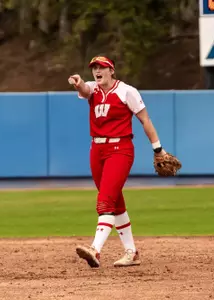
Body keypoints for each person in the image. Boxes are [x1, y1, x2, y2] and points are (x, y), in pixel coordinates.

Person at [68, 55, 168, 268]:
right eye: (94, 67)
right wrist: (78, 83)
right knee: (115, 201)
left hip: (120, 149)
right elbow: (85, 90)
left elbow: (145, 120)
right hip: (97, 149)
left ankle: (95, 249)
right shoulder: (93, 89)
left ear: (111, 70)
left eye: (102, 67)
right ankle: (131, 252)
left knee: (105, 200)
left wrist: (157, 149)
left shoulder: (127, 91)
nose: (97, 70)